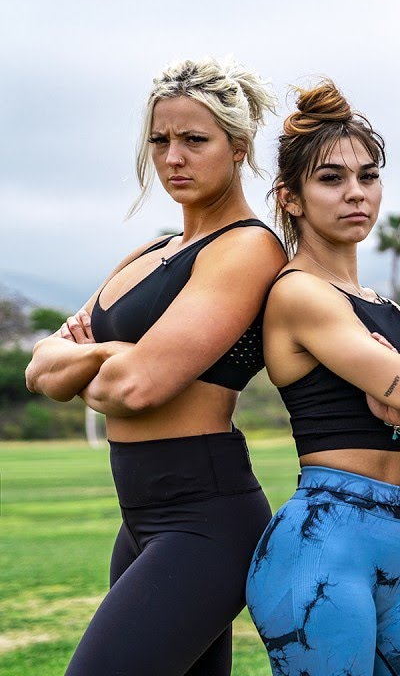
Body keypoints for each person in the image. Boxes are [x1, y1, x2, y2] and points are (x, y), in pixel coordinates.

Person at [23, 58, 285, 675]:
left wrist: (100, 360)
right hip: (138, 518)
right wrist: (109, 355)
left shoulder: (248, 248)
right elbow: (41, 369)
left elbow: (138, 387)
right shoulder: (149, 252)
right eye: (160, 141)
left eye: (194, 140)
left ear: (239, 146)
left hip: (205, 520)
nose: (174, 158)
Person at [244, 80, 400, 676]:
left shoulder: (384, 307)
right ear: (291, 198)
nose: (356, 193)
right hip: (321, 550)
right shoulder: (299, 293)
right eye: (331, 178)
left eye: (368, 177)